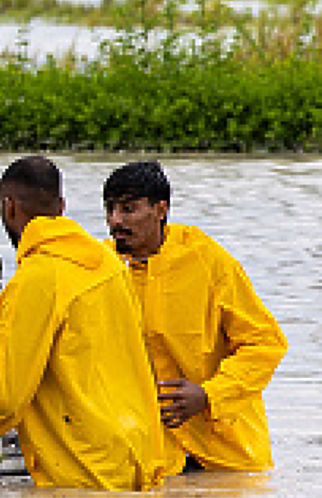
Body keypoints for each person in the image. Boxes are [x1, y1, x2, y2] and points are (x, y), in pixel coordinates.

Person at [0, 155, 176, 492]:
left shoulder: (34, 280)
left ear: (9, 208)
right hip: (138, 460)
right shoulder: (109, 265)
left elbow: (7, 400)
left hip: (82, 472)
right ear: (62, 205)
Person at [103, 161, 286, 472]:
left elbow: (265, 344)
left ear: (160, 210)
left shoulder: (208, 262)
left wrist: (209, 395)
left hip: (224, 454)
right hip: (147, 456)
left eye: (128, 209)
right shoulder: (101, 268)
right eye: (110, 210)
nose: (115, 221)